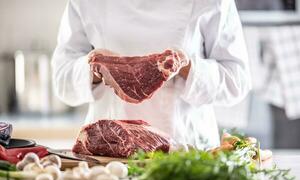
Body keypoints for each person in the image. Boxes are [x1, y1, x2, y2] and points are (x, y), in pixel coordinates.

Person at [52, 0, 251, 150]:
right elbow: (61, 80)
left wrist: (186, 67)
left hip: (187, 153)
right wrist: (96, 68)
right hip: (107, 151)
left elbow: (237, 80)